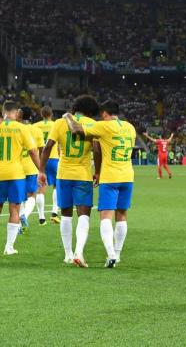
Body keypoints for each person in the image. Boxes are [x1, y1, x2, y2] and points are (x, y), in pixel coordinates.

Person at [63, 100, 136, 268]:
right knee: (122, 215)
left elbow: (76, 130)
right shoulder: (130, 127)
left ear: (104, 113)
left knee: (105, 217)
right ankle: (117, 255)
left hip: (110, 177)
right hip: (127, 176)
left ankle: (110, 253)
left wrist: (68, 116)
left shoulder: (104, 126)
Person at [38, 95, 100, 267]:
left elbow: (48, 146)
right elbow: (96, 149)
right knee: (83, 215)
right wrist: (99, 172)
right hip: (83, 175)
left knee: (65, 214)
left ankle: (67, 254)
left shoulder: (59, 122)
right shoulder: (92, 124)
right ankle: (79, 252)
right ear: (90, 111)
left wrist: (41, 171)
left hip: (63, 174)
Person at [0, 101, 40, 254]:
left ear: (4, 112)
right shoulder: (22, 128)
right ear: (16, 113)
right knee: (15, 209)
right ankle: (9, 247)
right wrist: (41, 170)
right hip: (16, 174)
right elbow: (33, 151)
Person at [18, 106, 45, 231]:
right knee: (31, 196)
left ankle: (21, 216)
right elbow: (40, 150)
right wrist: (42, 168)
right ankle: (23, 217)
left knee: (20, 197)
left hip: (17, 168)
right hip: (31, 168)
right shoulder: (36, 130)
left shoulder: (15, 128)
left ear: (20, 115)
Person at [33, 106, 60, 225]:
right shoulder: (56, 125)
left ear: (41, 114)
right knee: (56, 186)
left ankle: (41, 217)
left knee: (41, 189)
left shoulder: (35, 126)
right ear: (52, 114)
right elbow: (59, 145)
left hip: (40, 160)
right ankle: (54, 212)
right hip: (54, 158)